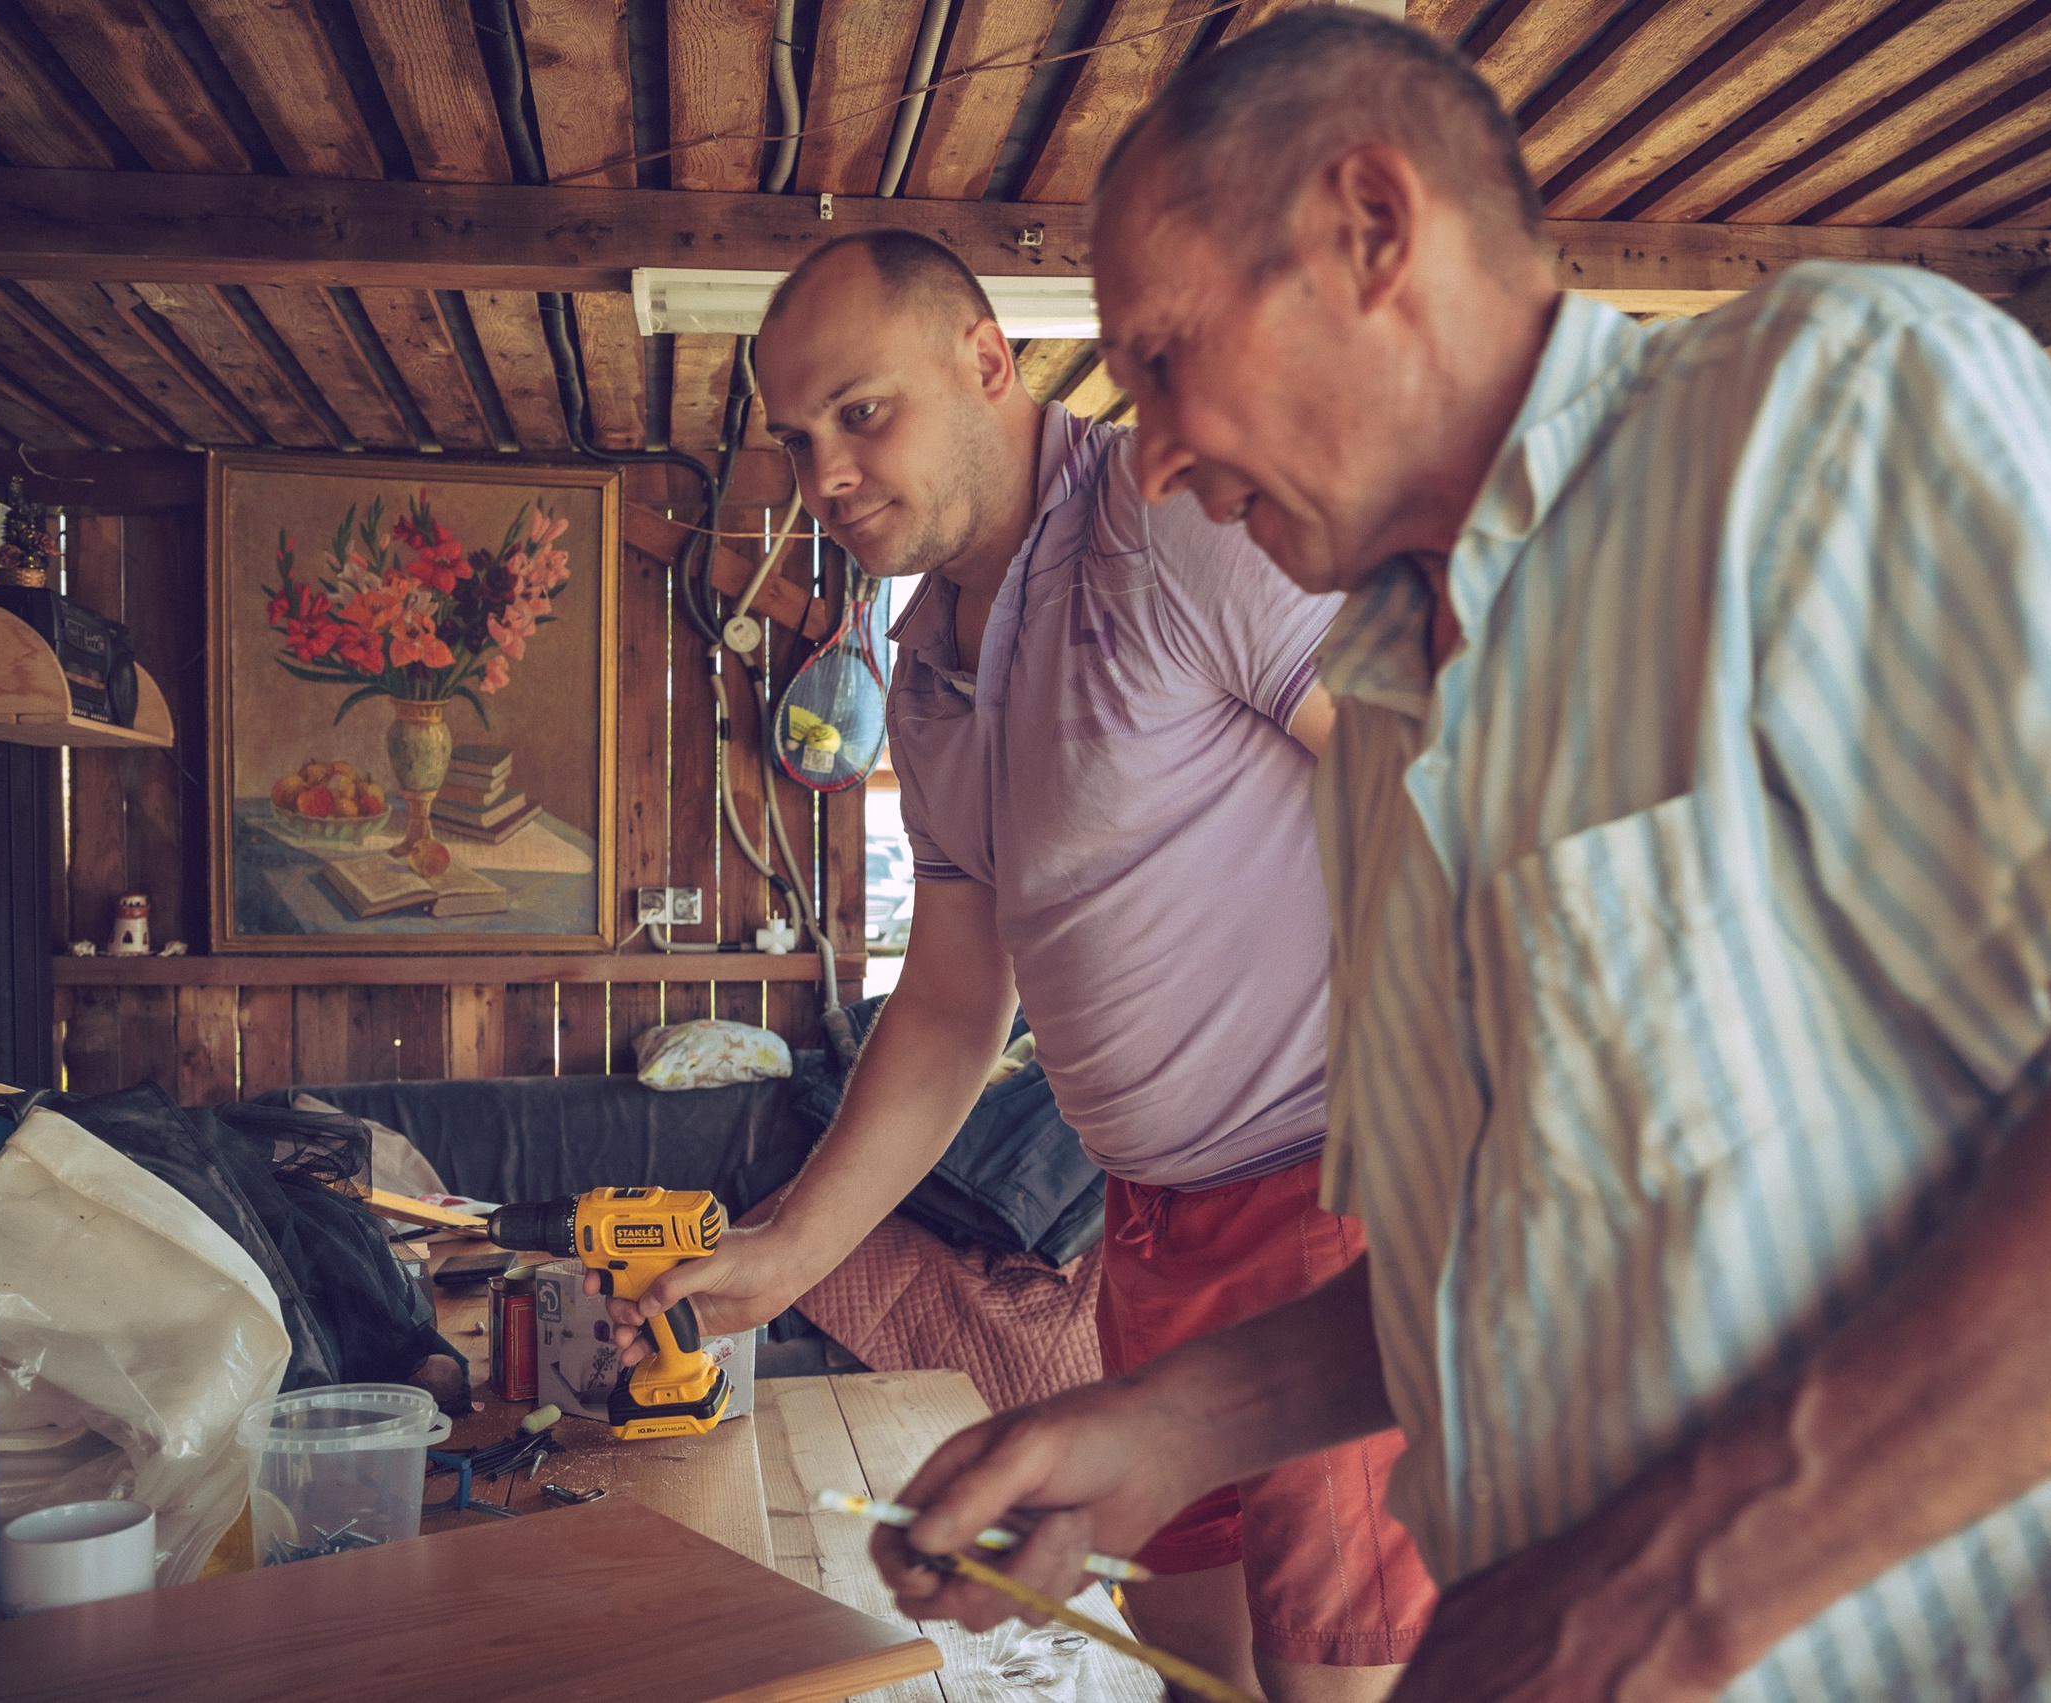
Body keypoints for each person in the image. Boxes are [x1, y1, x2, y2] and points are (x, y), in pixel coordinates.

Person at [868, 13, 2051, 1702]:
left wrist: (1658, 1593)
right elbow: (1505, 1270)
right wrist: (1164, 1424)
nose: (1159, 449)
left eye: (1169, 357)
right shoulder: (1395, 705)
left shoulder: (1816, 409)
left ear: (1373, 230)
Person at [605, 228, 1437, 1702]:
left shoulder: (1183, 526)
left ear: (987, 363)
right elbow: (946, 1002)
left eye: (865, 414)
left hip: (1337, 1194)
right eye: (800, 442)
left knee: (1339, 1686)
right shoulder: (924, 664)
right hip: (1148, 1229)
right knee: (1195, 1673)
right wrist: (788, 1252)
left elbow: (1455, 785)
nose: (829, 479)